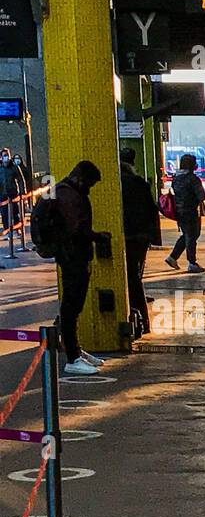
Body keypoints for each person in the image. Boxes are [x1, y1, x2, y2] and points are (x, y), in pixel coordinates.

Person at [52, 160, 111, 376]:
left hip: (73, 255)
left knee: (75, 306)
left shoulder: (66, 192)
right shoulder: (69, 196)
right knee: (71, 306)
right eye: (90, 183)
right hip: (72, 257)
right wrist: (98, 236)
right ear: (81, 177)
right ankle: (73, 358)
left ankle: (76, 350)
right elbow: (76, 230)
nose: (90, 187)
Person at [120, 147, 161, 336]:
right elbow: (153, 211)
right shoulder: (140, 184)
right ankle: (143, 320)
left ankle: (139, 319)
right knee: (136, 276)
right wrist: (153, 236)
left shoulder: (116, 187)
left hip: (124, 237)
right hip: (141, 238)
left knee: (131, 278)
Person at [164, 152, 205, 273]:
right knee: (192, 236)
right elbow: (202, 196)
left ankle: (173, 257)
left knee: (187, 235)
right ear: (193, 166)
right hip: (191, 212)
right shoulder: (193, 179)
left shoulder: (176, 179)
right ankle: (192, 263)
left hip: (179, 212)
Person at [0, 148, 25, 235]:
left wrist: (22, 192)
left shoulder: (14, 167)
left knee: (15, 212)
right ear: (1, 157)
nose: (6, 157)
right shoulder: (0, 169)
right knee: (4, 214)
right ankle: (7, 230)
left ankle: (17, 229)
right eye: (4, 156)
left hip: (13, 192)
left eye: (7, 155)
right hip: (2, 194)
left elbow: (20, 180)